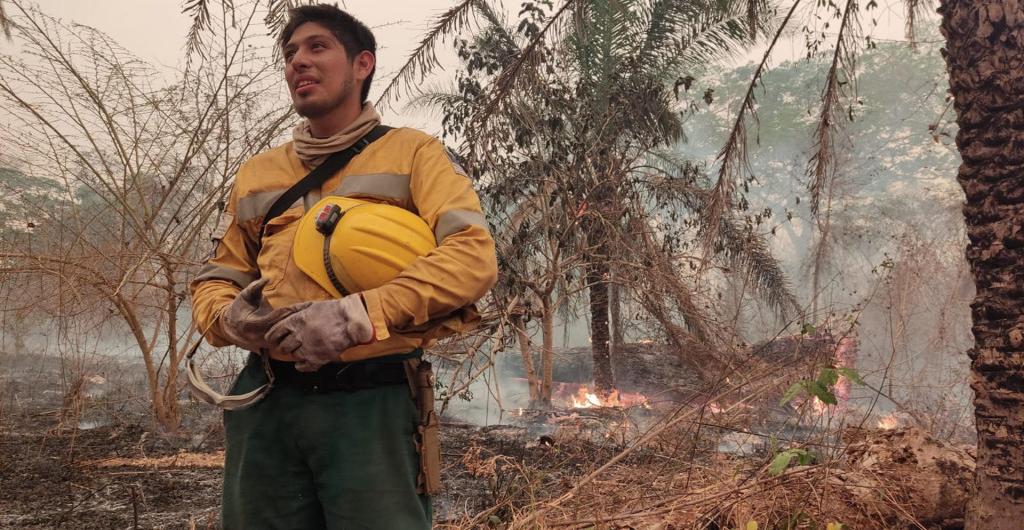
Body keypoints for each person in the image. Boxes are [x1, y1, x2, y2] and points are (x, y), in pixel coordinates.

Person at [188, 4, 498, 529]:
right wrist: (233, 321)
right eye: (289, 54)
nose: (298, 63)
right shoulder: (258, 173)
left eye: (317, 47)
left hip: (370, 402)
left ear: (362, 64)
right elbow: (219, 277)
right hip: (265, 401)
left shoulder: (414, 154)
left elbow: (471, 256)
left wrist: (357, 315)